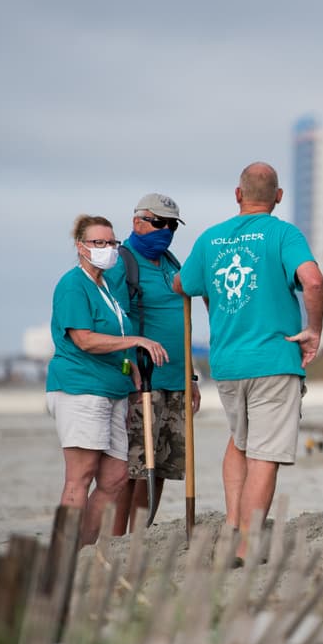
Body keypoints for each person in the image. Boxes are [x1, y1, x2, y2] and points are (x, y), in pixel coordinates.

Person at [174, 162, 323, 566]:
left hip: (227, 362)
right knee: (264, 453)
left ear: (238, 195)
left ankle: (231, 525)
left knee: (240, 441)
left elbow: (183, 284)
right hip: (273, 359)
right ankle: (244, 545)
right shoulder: (283, 233)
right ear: (278, 197)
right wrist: (314, 328)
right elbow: (312, 280)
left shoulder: (210, 239)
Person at [47, 215, 169, 547]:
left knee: (115, 477)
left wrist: (133, 379)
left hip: (115, 389)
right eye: (98, 243)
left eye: (111, 243)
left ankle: (83, 548)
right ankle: (63, 553)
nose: (107, 249)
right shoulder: (73, 284)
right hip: (81, 388)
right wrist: (137, 342)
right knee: (80, 476)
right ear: (80, 246)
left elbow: (117, 336)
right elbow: (84, 339)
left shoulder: (107, 288)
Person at [105, 193, 201, 536]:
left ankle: (141, 532)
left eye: (172, 225)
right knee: (134, 466)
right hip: (143, 379)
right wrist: (127, 368)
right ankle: (117, 539)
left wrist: (192, 377)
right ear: (138, 222)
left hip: (177, 378)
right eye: (159, 223)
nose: (166, 231)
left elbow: (183, 320)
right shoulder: (122, 263)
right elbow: (114, 321)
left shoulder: (172, 262)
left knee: (161, 466)